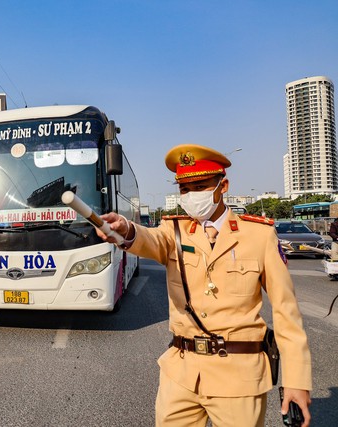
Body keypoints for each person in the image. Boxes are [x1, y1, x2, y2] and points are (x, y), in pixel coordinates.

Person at [96, 144, 312, 426]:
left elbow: (287, 312)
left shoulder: (259, 236)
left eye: (199, 186)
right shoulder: (174, 230)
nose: (191, 195)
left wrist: (296, 381)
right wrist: (126, 228)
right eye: (185, 189)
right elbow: (149, 239)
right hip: (181, 376)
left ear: (223, 186)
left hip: (240, 379)